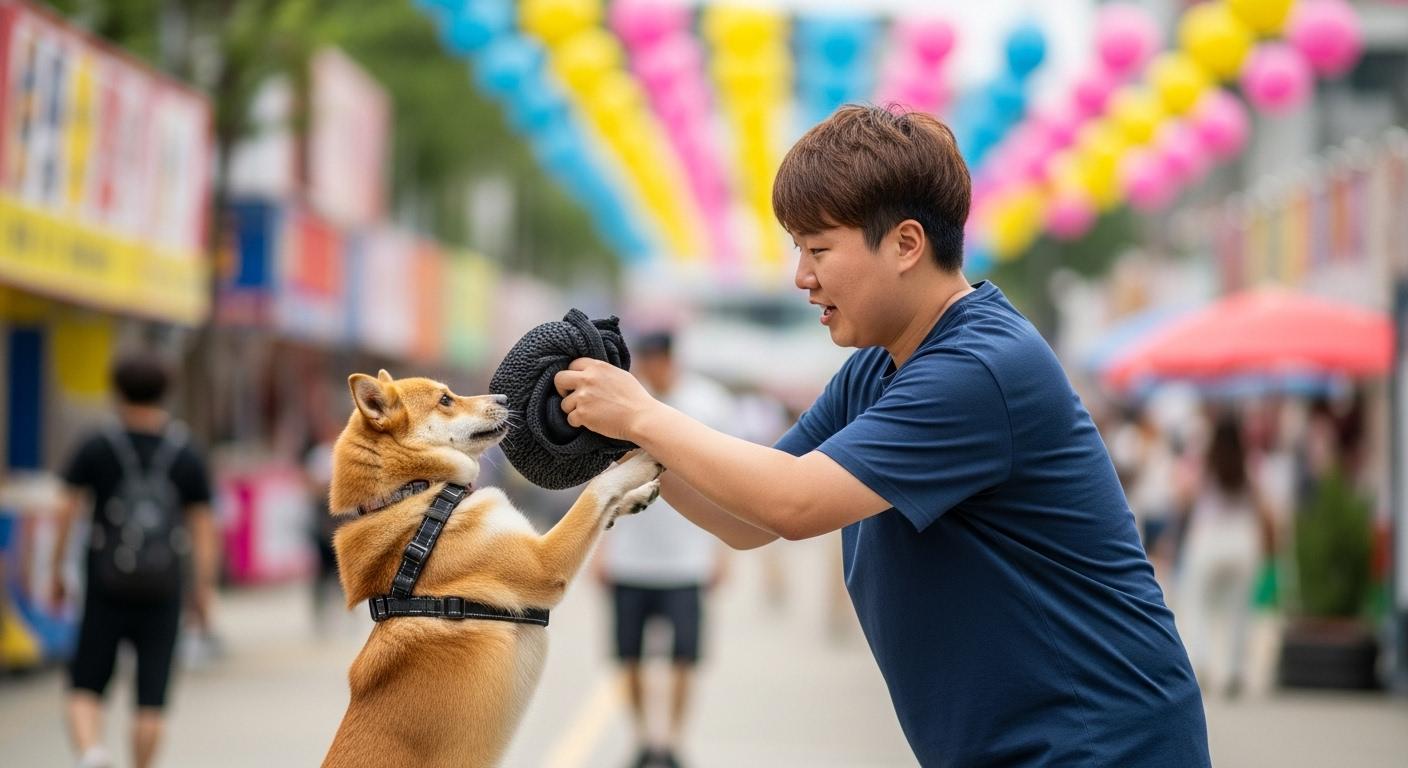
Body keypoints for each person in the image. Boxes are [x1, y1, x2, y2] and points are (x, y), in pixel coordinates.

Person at [555, 105, 1210, 766]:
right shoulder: (880, 364)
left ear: (905, 244)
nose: (801, 277)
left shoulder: (977, 368)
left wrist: (641, 413)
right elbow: (748, 517)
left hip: (1101, 745)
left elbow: (794, 502)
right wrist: (617, 440)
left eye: (818, 249)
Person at [49, 352, 217, 768]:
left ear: (117, 391)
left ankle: (92, 752)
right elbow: (203, 530)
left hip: (104, 581)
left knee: (85, 684)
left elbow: (67, 511)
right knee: (151, 699)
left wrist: (56, 571)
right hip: (163, 585)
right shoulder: (186, 453)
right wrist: (203, 590)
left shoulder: (97, 446)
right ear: (167, 393)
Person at [593, 331, 730, 768]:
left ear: (672, 359)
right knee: (628, 659)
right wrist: (599, 549)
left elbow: (728, 480)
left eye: (660, 360)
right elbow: (603, 484)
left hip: (686, 560)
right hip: (631, 559)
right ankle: (643, 739)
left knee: (683, 661)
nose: (655, 369)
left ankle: (670, 741)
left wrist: (722, 551)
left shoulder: (708, 404)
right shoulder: (624, 412)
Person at [1170, 414, 1275, 699]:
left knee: (1196, 603)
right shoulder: (1252, 463)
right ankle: (1233, 671)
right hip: (1242, 540)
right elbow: (1265, 508)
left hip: (1208, 539)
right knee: (1239, 611)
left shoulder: (1204, 461)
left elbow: (1183, 498)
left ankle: (1200, 661)